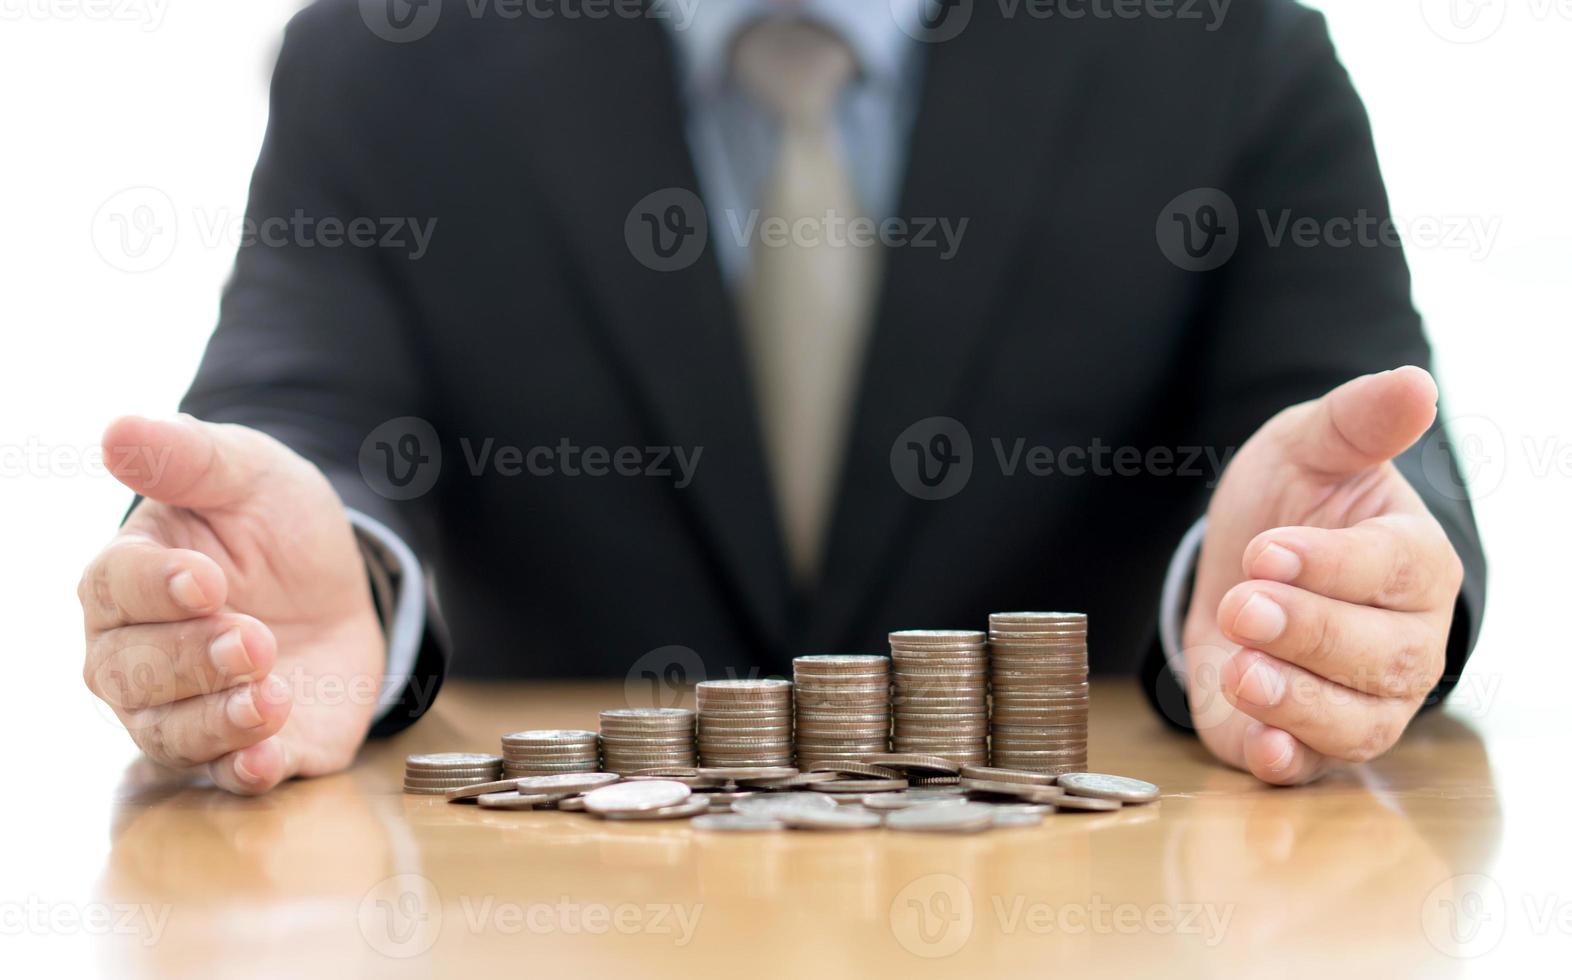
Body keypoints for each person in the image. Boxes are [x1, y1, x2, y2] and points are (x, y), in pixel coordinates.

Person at [79, 0, 1485, 795]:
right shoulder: (387, 53)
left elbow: (1355, 443)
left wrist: (1324, 588)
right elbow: (298, 418)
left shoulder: (1227, 44)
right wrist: (270, 587)